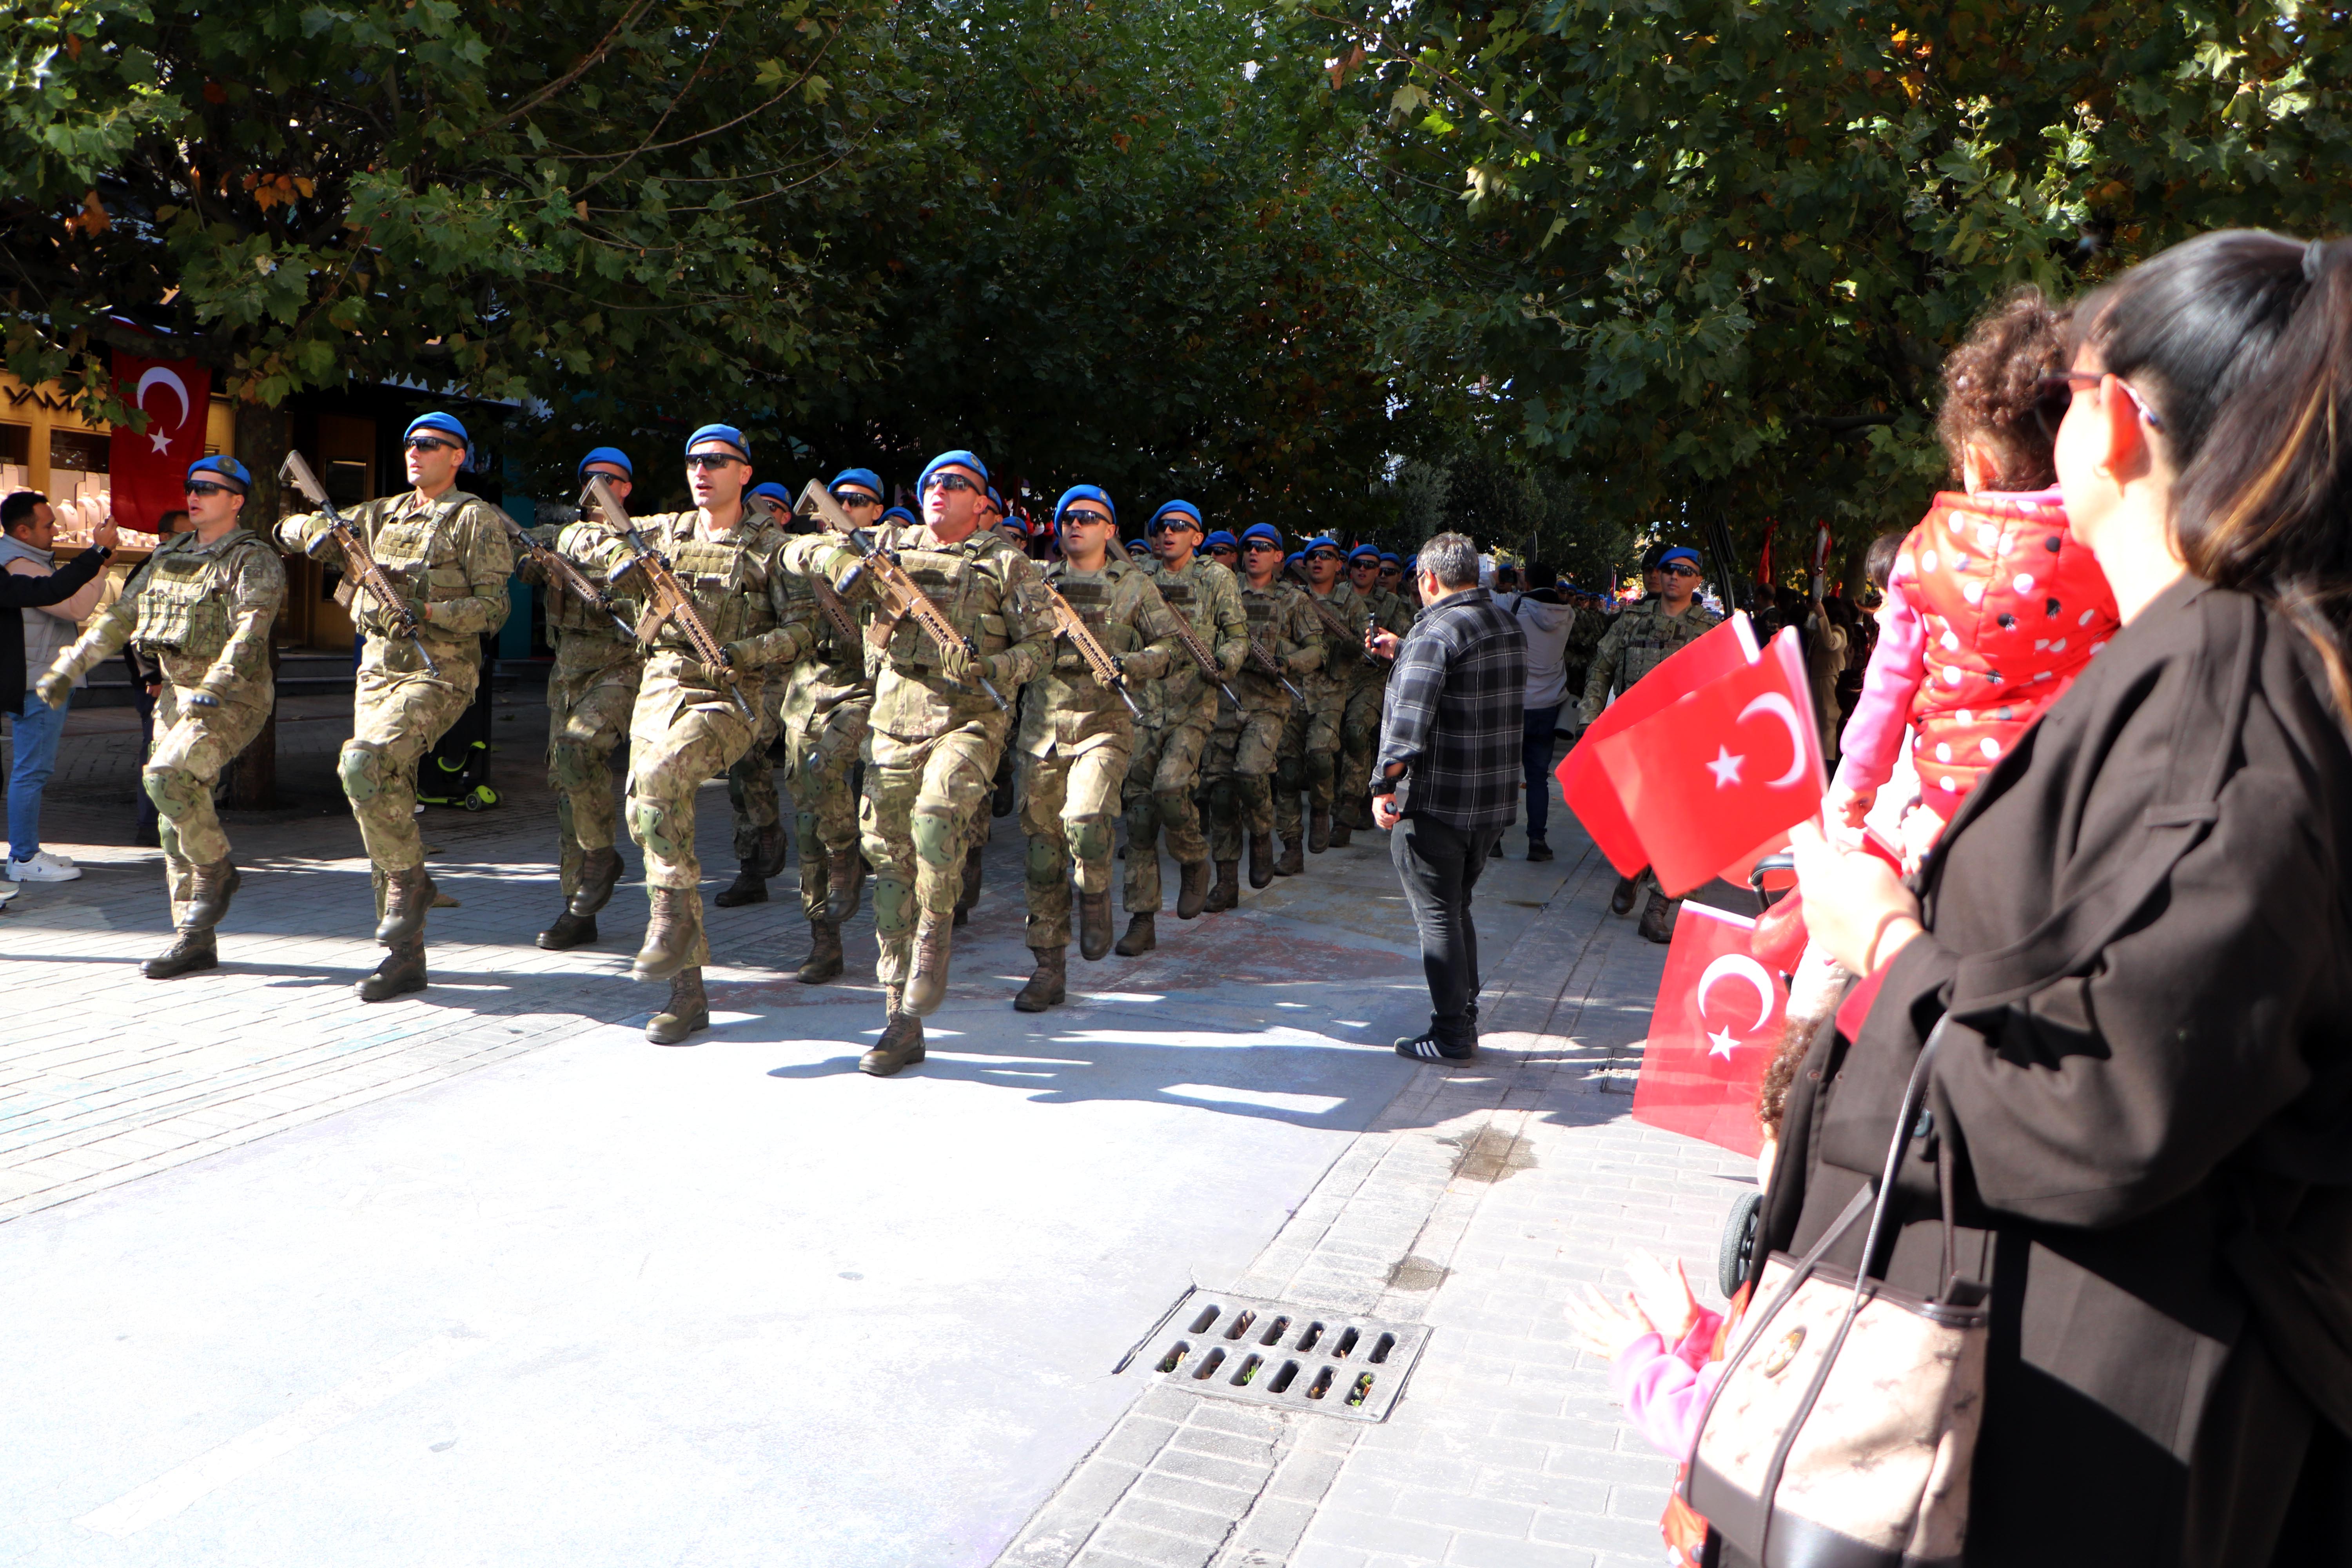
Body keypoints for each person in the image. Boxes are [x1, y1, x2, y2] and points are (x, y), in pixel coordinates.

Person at [1781, 230, 2352, 1568]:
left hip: (2103, 1434)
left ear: (2115, 423)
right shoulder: (2214, 663)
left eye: (2075, 386)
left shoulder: (2227, 682)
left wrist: (1885, 941)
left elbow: (2106, 1103)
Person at [780, 450, 1057, 1074]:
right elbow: (791, 552)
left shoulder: (1006, 563)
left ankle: (936, 928)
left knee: (936, 819)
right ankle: (899, 1020)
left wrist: (994, 667)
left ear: (983, 502)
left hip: (969, 721)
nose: (940, 490)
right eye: (933, 481)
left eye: (956, 484)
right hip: (894, 722)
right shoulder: (887, 544)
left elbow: (1042, 646)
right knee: (890, 860)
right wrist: (834, 561)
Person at [1830, 287, 2122, 864]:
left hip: (1947, 809)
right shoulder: (2107, 541)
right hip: (2073, 799)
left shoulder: (1923, 553)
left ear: (1979, 464)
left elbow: (1887, 690)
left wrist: (1855, 784)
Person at [570, 425, 814, 1043]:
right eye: (692, 462)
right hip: (660, 690)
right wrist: (614, 558)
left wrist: (743, 652)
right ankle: (688, 989)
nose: (701, 471)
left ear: (745, 473)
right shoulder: (662, 532)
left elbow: (805, 632)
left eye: (716, 461)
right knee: (651, 815)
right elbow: (575, 534)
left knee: (657, 782)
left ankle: (667, 928)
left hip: (729, 697)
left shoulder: (772, 546)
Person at [278, 412, 514, 1000]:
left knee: (362, 763)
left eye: (430, 445)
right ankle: (404, 956)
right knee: (382, 797)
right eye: (411, 443)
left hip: (440, 672)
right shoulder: (381, 514)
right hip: (377, 672)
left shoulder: (472, 519)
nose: (416, 451)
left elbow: (494, 609)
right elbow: (288, 527)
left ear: (458, 457)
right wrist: (311, 534)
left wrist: (430, 613)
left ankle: (412, 885)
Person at [37, 457, 284, 976]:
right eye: (192, 487)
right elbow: (123, 615)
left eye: (210, 490)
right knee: (174, 819)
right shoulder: (169, 553)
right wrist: (72, 665)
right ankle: (194, 938)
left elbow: (251, 631)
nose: (195, 496)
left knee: (166, 778)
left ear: (236, 501)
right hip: (175, 695)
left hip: (231, 696)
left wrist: (216, 683)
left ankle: (217, 871)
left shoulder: (252, 559)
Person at [1011, 486, 1183, 1007]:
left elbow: (1169, 646)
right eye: (1068, 518)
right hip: (1042, 732)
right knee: (1043, 855)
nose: (1076, 525)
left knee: (1086, 820)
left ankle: (1094, 890)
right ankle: (1048, 970)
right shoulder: (1039, 585)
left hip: (1104, 727)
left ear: (1110, 530)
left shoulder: (1134, 586)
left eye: (1090, 518)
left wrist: (1129, 665)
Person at [1369, 532, 1525, 1061]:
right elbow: (1465, 686)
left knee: (1438, 915)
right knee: (1457, 908)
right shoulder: (1505, 622)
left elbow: (1406, 731)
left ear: (1427, 579)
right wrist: (1402, 651)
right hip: (1490, 802)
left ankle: (1452, 1031)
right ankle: (1465, 1013)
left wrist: (1383, 786)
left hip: (1437, 801)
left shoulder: (1434, 633)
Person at [528, 446, 647, 951]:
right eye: (592, 478)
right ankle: (580, 906)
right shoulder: (557, 538)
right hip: (568, 672)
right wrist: (539, 561)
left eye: (613, 479)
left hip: (621, 666)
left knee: (579, 752)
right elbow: (517, 559)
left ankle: (601, 857)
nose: (601, 486)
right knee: (568, 789)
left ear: (627, 489)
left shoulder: (645, 541)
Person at [1117, 499, 1247, 956]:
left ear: (1197, 536)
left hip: (1193, 705)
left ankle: (1194, 857)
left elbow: (1237, 637)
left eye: (1180, 527)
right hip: (1142, 707)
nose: (1168, 533)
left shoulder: (1216, 579)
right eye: (1162, 527)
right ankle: (1142, 919)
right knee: (1138, 817)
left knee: (1171, 788)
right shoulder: (1138, 576)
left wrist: (1226, 662)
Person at [769, 468, 881, 984]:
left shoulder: (888, 559)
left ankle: (848, 856)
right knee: (808, 823)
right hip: (805, 697)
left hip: (865, 694)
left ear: (875, 511)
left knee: (825, 769)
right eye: (839, 499)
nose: (846, 507)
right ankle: (825, 942)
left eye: (858, 501)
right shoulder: (801, 554)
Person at [1579, 543, 1721, 940]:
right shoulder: (1632, 619)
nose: (1673, 576)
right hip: (1635, 741)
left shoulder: (1710, 630)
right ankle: (1631, 867)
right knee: (1639, 823)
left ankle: (1658, 909)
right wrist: (1589, 718)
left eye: (1682, 571)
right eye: (1667, 570)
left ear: (1697, 579)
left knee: (1686, 828)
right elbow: (1601, 667)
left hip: (1686, 743)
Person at [2, 490, 116, 882]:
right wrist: (100, 562)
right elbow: (74, 606)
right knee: (32, 769)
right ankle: (22, 858)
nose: (56, 530)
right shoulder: (18, 564)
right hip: (39, 680)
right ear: (23, 530)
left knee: (32, 769)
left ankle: (26, 850)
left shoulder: (26, 558)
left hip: (38, 676)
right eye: (48, 525)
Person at [1201, 523, 1319, 896]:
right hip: (1224, 700)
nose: (1255, 552)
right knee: (1221, 792)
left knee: (1250, 772)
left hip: (1268, 703)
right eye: (1249, 546)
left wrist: (1288, 663)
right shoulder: (1223, 591)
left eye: (1265, 547)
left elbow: (1317, 651)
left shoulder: (1292, 600)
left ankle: (1263, 833)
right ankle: (1226, 882)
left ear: (1279, 556)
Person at [1335, 542, 1415, 846]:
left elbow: (1407, 643)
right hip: (1335, 679)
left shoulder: (1392, 604)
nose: (1365, 571)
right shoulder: (1336, 597)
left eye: (1373, 567)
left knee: (1356, 733)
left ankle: (1347, 810)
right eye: (1359, 565)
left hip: (1373, 680)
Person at [1504, 559, 1574, 862]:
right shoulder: (1569, 614)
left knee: (1506, 775)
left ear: (1528, 584)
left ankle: (1493, 840)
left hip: (1516, 704)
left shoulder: (1519, 608)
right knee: (1538, 778)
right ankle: (1538, 842)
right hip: (1549, 706)